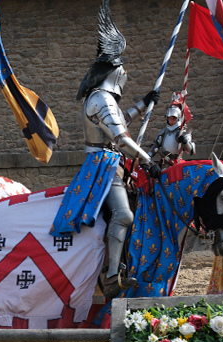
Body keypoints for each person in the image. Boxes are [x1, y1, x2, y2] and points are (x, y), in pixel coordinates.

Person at [64, 0, 161, 297]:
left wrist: (144, 103)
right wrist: (148, 161)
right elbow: (120, 139)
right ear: (115, 73)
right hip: (103, 167)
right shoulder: (101, 98)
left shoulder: (101, 99)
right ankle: (110, 276)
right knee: (124, 215)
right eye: (123, 69)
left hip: (110, 163)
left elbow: (121, 121)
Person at [150, 91, 195, 169]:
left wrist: (184, 141)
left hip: (176, 162)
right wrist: (148, 156)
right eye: (169, 118)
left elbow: (191, 150)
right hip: (164, 162)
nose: (171, 120)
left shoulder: (182, 132)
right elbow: (155, 145)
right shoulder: (164, 131)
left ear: (178, 118)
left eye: (173, 118)